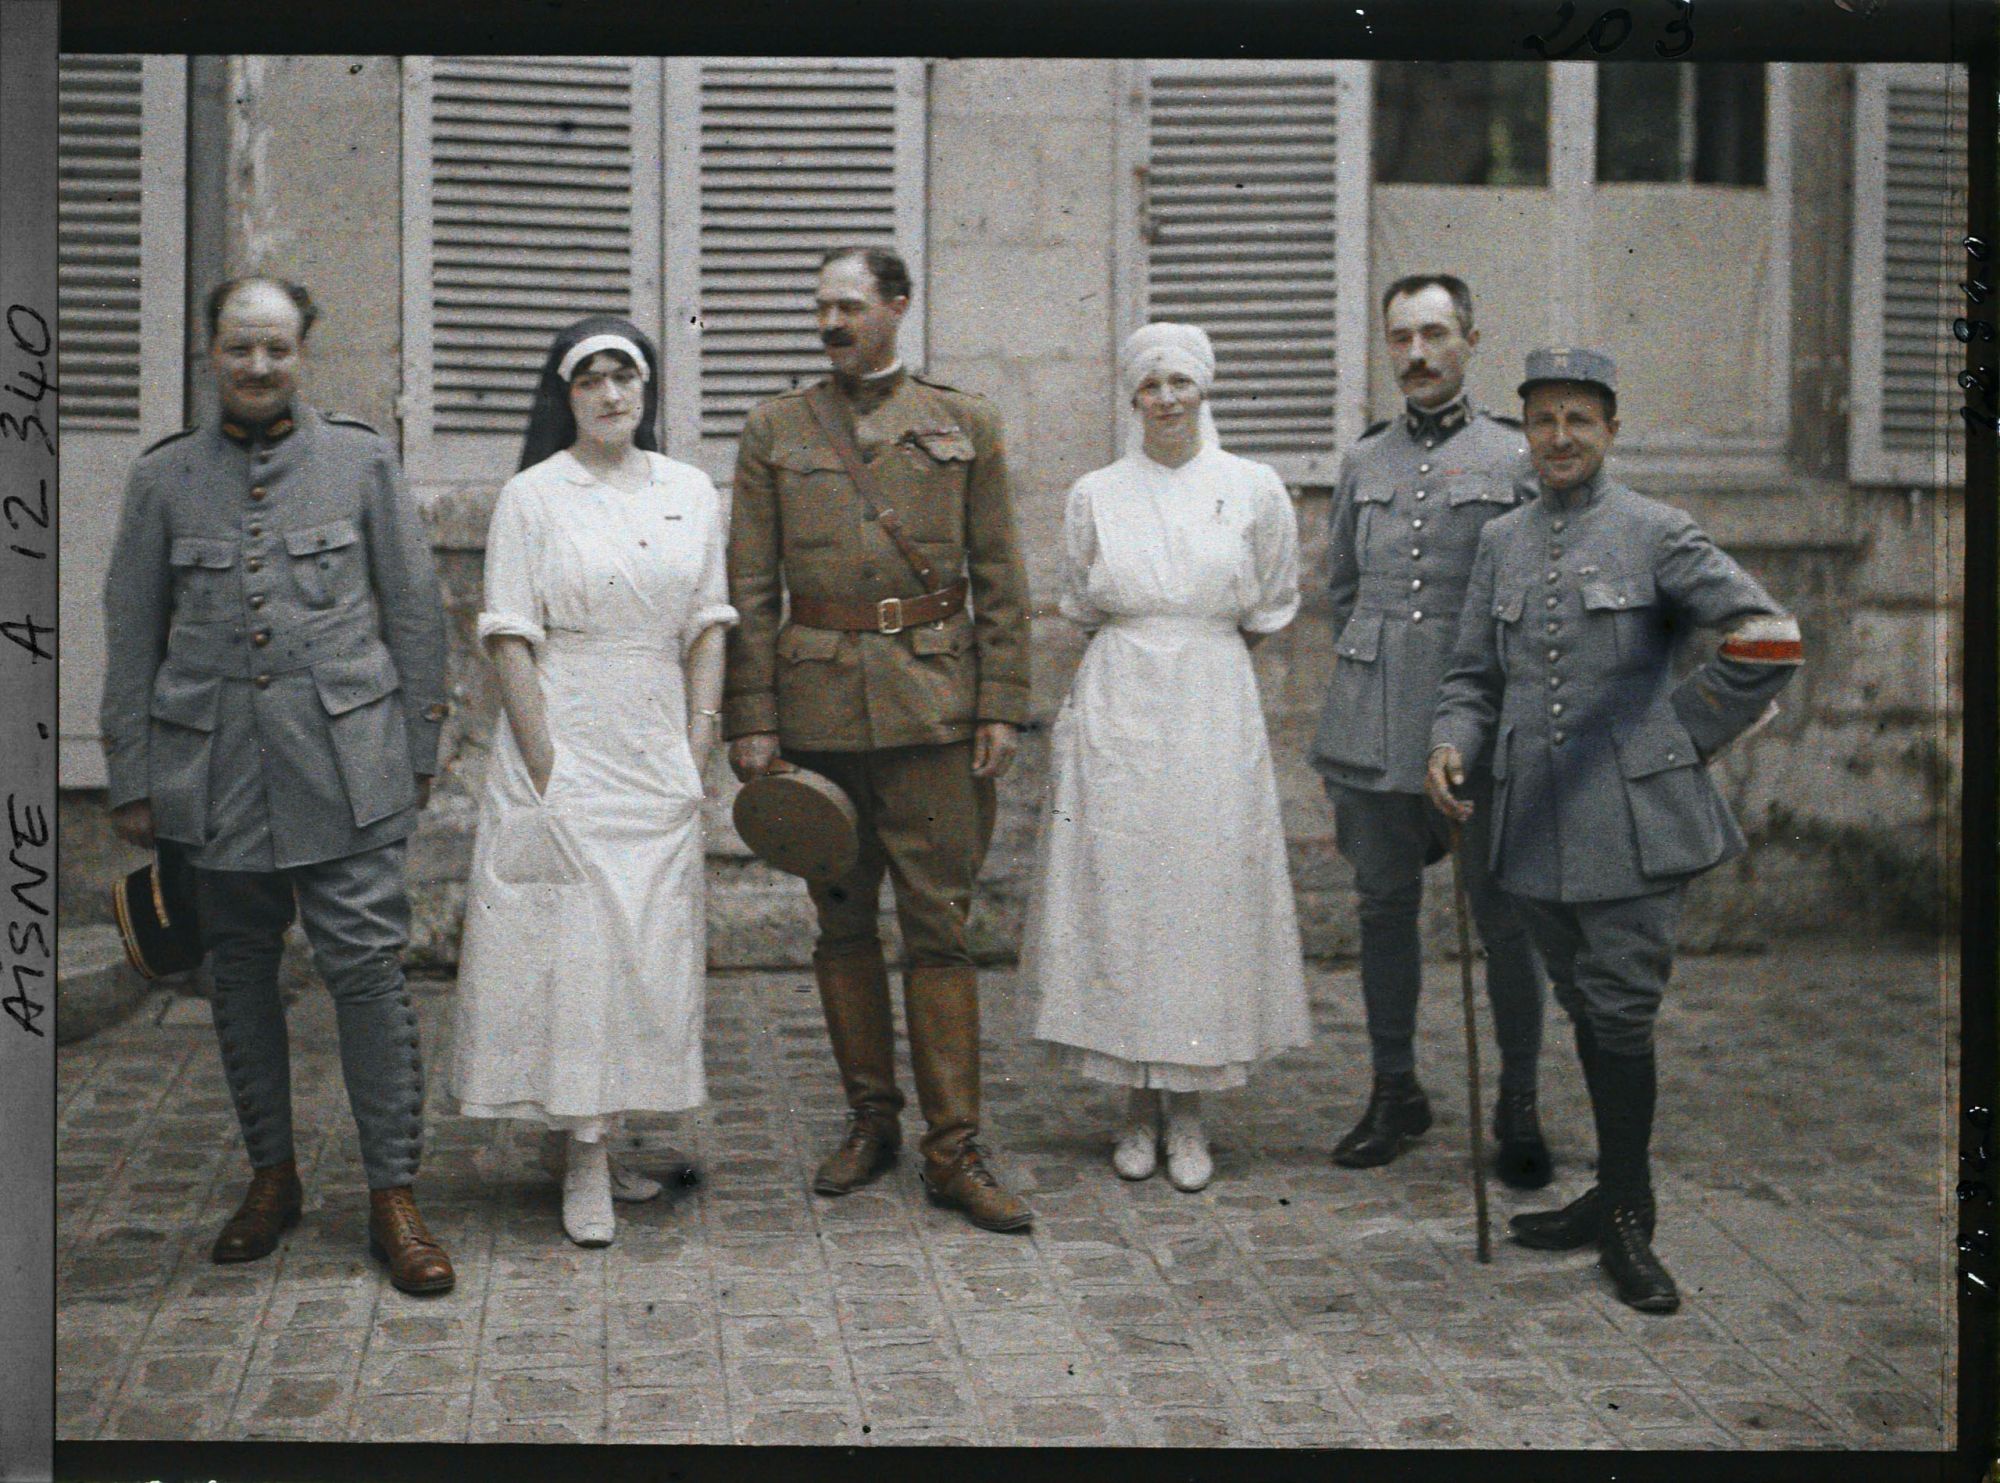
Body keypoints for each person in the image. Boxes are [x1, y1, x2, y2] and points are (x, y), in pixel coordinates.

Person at [99, 277, 455, 1294]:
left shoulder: (359, 461)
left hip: (346, 768)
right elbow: (132, 633)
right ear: (209, 353)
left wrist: (417, 751)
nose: (259, 367)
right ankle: (271, 1176)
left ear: (304, 353)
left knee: (368, 976)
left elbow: (415, 611)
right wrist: (134, 773)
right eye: (240, 348)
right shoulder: (165, 478)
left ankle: (394, 1194)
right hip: (212, 774)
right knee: (240, 975)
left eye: (278, 350)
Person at [1427, 348, 1802, 1313]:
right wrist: (1451, 742)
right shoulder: (1505, 542)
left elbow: (1770, 636)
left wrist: (1676, 735)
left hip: (1635, 824)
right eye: (1543, 420)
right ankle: (1606, 1198)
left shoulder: (1657, 533)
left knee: (1623, 1010)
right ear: (1526, 431)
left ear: (1610, 432)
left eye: (1578, 421)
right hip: (1533, 823)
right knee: (1588, 1007)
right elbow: (1473, 674)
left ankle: (1631, 1217)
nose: (1559, 438)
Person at [724, 246, 1034, 1232]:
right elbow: (749, 587)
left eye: (849, 306)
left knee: (939, 925)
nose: (831, 322)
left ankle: (955, 1150)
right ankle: (870, 1123)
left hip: (935, 708)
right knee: (841, 921)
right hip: (817, 715)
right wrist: (755, 718)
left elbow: (999, 574)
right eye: (820, 306)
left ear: (897, 306)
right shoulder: (774, 428)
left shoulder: (964, 423)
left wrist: (1000, 703)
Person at [449, 317, 734, 1247]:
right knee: (571, 946)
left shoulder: (690, 491)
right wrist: (547, 766)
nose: (612, 394)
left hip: (655, 731)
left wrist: (696, 749)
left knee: (647, 947)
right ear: (565, 395)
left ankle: (608, 1133)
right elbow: (507, 636)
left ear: (648, 391)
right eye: (592, 380)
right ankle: (580, 1156)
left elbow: (707, 623)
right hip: (565, 732)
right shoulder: (534, 495)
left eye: (627, 377)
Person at [1021, 321, 1310, 1192]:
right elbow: (1080, 596)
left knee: (1200, 894)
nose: (1168, 399)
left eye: (1182, 381)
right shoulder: (1096, 492)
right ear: (1133, 395)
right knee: (1120, 887)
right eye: (1152, 384)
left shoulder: (1254, 488)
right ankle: (1132, 1109)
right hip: (1120, 697)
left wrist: (1198, 663)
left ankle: (1189, 1113)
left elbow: (1270, 603)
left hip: (1213, 701)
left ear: (1205, 389)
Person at [1310, 275, 1551, 1184]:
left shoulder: (1514, 457)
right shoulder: (1365, 459)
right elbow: (1344, 591)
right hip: (1373, 726)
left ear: (1471, 340)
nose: (1416, 354)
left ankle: (1518, 1100)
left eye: (1435, 334)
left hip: (1482, 726)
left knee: (1504, 917)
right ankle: (1393, 1089)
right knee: (1383, 911)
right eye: (1401, 337)